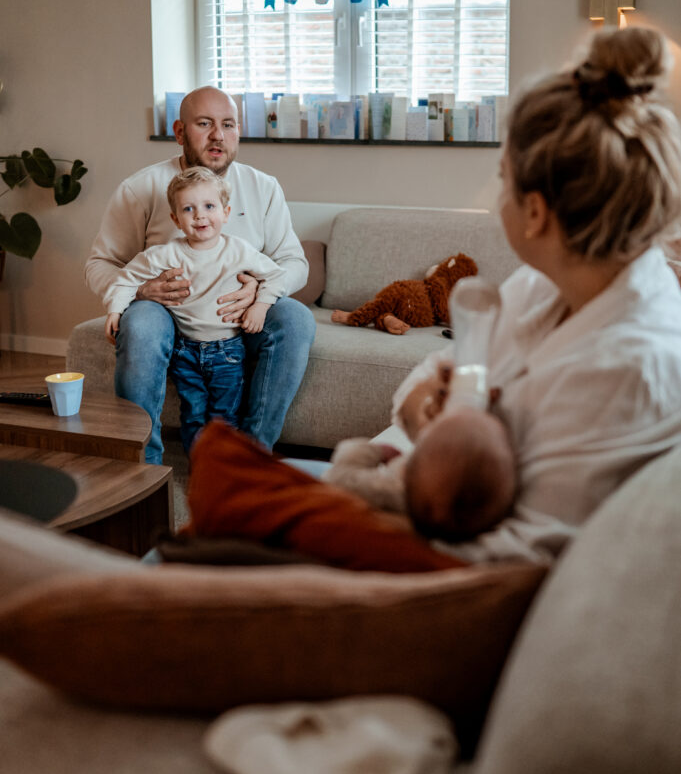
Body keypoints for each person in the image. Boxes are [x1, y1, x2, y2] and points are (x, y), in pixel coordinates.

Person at [390, 25, 681, 565]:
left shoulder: (629, 371)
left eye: (503, 179)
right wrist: (429, 413)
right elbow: (426, 378)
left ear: (536, 212)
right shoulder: (541, 283)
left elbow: (516, 563)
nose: (496, 195)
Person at [85, 87, 315, 463]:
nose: (217, 136)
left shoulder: (263, 187)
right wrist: (141, 290)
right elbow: (100, 264)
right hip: (169, 315)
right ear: (179, 132)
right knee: (141, 323)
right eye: (204, 124)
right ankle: (141, 467)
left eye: (228, 125)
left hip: (240, 318)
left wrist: (259, 289)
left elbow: (294, 262)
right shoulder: (141, 188)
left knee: (296, 318)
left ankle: (250, 461)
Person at [104, 166, 288, 455]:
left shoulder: (238, 251)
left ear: (226, 213)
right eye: (189, 209)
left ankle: (227, 471)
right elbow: (127, 276)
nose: (200, 215)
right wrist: (116, 310)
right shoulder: (167, 253)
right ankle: (199, 468)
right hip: (185, 352)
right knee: (193, 416)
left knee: (224, 418)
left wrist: (261, 305)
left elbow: (276, 275)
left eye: (209, 206)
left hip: (227, 352)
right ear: (176, 219)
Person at [323, 406, 517, 541]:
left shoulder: (393, 490)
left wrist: (376, 451)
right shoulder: (471, 524)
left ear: (406, 470)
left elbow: (339, 475)